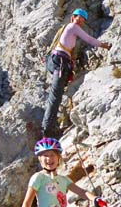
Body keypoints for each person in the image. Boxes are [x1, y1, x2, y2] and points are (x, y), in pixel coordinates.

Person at [41, 8, 112, 138]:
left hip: (59, 61)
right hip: (61, 62)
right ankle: (47, 129)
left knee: (56, 94)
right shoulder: (72, 26)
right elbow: (89, 39)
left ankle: (50, 126)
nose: (80, 21)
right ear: (73, 17)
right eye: (79, 18)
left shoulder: (68, 28)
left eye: (83, 20)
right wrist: (104, 46)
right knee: (55, 95)